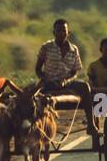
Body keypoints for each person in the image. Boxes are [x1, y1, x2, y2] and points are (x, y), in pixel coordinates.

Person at [35, 19, 100, 148]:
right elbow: (38, 69)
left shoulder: (74, 49)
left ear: (68, 32)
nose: (61, 32)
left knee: (85, 87)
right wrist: (46, 79)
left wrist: (66, 81)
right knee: (34, 98)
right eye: (58, 30)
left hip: (67, 82)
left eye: (63, 30)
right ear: (54, 32)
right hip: (49, 82)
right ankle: (36, 130)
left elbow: (74, 72)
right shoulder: (46, 47)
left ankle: (91, 124)